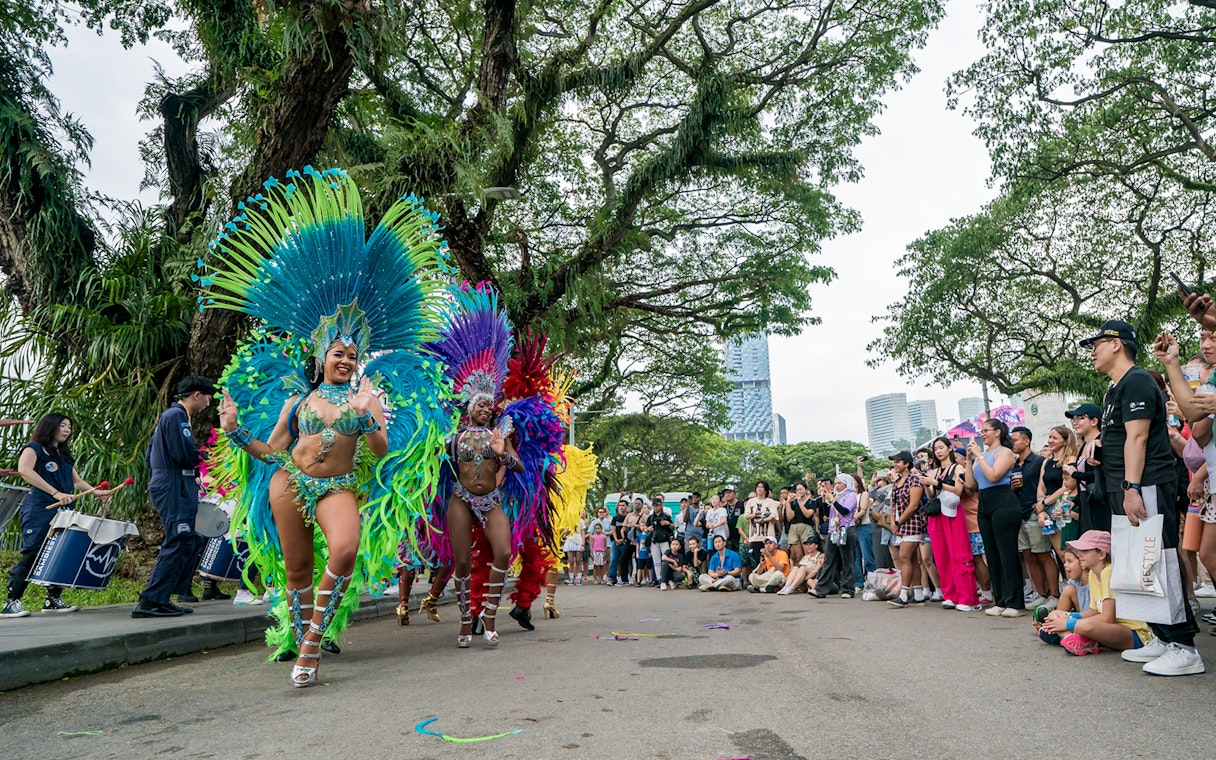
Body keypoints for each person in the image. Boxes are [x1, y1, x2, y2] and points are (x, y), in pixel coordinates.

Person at [1082, 320, 1203, 675]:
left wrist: (1133, 488)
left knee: (1159, 561)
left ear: (1118, 344)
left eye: (1098, 343)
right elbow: (1124, 437)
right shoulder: (1114, 388)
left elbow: (1139, 439)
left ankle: (1184, 646)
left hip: (1146, 484)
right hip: (1126, 486)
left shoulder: (1136, 380)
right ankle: (1163, 638)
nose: (1093, 351)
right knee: (1140, 566)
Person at [2, 414, 111, 618]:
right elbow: (24, 471)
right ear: (49, 426)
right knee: (33, 552)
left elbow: (76, 481)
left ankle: (52, 599)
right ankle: (11, 601)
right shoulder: (33, 448)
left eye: (69, 426)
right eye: (62, 426)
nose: (67, 430)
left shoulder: (63, 453)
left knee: (60, 552)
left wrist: (97, 491)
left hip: (65, 509)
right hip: (41, 507)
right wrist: (55, 493)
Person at [133, 376, 216, 620]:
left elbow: (151, 455)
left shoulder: (171, 417)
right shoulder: (176, 417)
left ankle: (162, 596)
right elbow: (184, 454)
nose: (208, 404)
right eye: (208, 397)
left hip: (174, 481)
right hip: (174, 483)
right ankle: (152, 599)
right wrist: (207, 459)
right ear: (196, 394)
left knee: (187, 540)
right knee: (179, 539)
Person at [1039, 531, 1152, 656]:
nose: (1079, 554)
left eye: (1085, 551)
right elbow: (1094, 611)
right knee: (1056, 614)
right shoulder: (1093, 573)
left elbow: (1107, 618)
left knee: (1083, 626)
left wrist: (1067, 623)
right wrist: (1068, 617)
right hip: (1110, 628)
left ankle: (1066, 636)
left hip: (1135, 633)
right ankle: (1071, 638)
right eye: (1079, 551)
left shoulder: (1108, 571)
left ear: (1102, 554)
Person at [963, 419, 1024, 618]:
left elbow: (994, 476)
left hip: (1003, 501)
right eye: (981, 431)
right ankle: (1000, 599)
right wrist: (969, 460)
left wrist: (980, 456)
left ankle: (1014, 601)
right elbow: (971, 485)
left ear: (997, 432)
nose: (982, 434)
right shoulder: (983, 455)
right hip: (985, 503)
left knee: (1007, 552)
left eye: (986, 430)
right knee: (992, 554)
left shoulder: (1004, 452)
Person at [921, 437, 981, 612]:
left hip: (953, 512)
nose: (938, 451)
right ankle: (950, 594)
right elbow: (932, 496)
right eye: (936, 448)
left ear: (949, 449)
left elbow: (958, 490)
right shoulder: (935, 471)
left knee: (959, 553)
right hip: (937, 512)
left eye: (941, 447)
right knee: (941, 556)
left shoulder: (957, 468)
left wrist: (936, 482)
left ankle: (968, 598)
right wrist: (927, 483)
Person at [1010, 426, 1053, 609]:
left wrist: (1042, 505)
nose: (1012, 443)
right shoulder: (1013, 465)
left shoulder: (1039, 461)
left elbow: (1046, 485)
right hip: (1019, 513)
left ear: (1026, 441)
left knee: (1043, 554)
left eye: (1015, 440)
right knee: (1028, 556)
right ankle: (1040, 594)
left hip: (1034, 513)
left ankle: (1055, 594)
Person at [886, 451, 926, 607]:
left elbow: (914, 505)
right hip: (900, 523)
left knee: (904, 557)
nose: (895, 464)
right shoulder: (897, 482)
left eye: (898, 461)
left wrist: (898, 522)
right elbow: (893, 505)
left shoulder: (914, 480)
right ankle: (918, 593)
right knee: (912, 560)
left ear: (907, 464)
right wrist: (892, 522)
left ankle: (903, 594)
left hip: (913, 522)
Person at [812, 473, 858, 598]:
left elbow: (845, 511)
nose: (837, 486)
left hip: (846, 529)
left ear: (846, 484)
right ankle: (821, 589)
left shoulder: (851, 495)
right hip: (834, 530)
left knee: (847, 560)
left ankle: (848, 589)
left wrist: (833, 500)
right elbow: (827, 513)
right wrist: (825, 500)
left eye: (839, 483)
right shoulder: (836, 496)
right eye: (836, 483)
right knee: (828, 560)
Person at [1034, 545, 1089, 643]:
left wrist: (1070, 618)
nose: (1065, 565)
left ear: (1083, 562)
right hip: (1079, 621)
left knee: (1051, 633)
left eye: (1070, 561)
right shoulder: (1074, 583)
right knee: (1047, 630)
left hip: (1090, 623)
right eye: (1065, 561)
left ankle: (1069, 637)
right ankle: (1054, 628)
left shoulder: (1095, 582)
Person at [784, 481, 818, 567]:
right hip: (794, 527)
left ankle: (808, 573)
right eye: (797, 490)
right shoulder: (793, 502)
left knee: (807, 553)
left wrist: (800, 502)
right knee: (796, 556)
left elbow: (808, 514)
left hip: (806, 527)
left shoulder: (811, 502)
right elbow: (789, 517)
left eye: (801, 489)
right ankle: (797, 572)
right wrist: (787, 503)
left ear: (806, 490)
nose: (799, 491)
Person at [648, 494, 675, 585]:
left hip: (664, 540)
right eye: (654, 506)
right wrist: (648, 529)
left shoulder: (666, 516)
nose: (656, 507)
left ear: (661, 505)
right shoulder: (651, 517)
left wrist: (667, 523)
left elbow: (672, 527)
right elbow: (646, 527)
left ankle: (667, 577)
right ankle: (660, 579)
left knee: (666, 560)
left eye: (657, 505)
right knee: (656, 562)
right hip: (654, 541)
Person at [563, 516, 587, 585]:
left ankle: (579, 578)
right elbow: (564, 535)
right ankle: (571, 578)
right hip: (570, 540)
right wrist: (567, 530)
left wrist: (583, 543)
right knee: (570, 561)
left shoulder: (581, 521)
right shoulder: (568, 520)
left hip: (578, 540)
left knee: (578, 560)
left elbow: (583, 532)